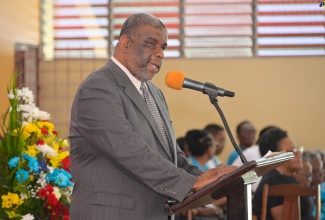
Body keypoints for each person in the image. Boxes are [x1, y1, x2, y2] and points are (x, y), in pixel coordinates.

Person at [69, 13, 235, 220]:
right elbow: (128, 150)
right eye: (151, 44)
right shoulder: (98, 88)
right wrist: (190, 183)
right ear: (125, 43)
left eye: (163, 47)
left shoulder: (155, 93)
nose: (160, 54)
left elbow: (172, 155)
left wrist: (206, 177)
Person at [252, 128, 314, 220]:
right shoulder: (275, 181)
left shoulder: (284, 178)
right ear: (275, 156)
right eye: (293, 152)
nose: (299, 155)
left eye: (299, 150)